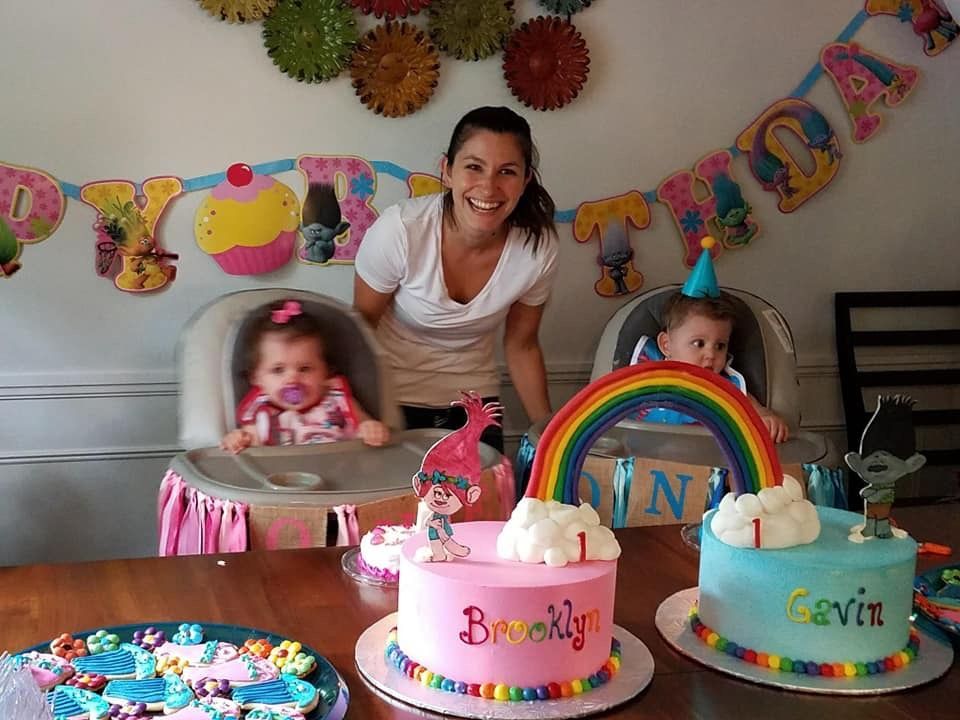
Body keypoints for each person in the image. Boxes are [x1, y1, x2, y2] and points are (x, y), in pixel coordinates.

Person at [353, 106, 559, 453]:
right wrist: (360, 415)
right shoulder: (401, 230)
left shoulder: (537, 249)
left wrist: (548, 430)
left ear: (525, 181)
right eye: (474, 167)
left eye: (506, 172)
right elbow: (360, 329)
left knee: (480, 504)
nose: (489, 187)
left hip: (473, 403)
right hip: (389, 399)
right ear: (447, 171)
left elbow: (522, 345)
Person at [631, 238, 790, 443]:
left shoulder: (725, 386)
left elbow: (747, 403)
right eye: (698, 343)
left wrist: (765, 415)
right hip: (648, 458)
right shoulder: (645, 375)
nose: (711, 354)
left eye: (720, 346)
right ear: (666, 345)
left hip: (708, 463)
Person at [220, 300, 390, 453]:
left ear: (326, 372)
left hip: (342, 478)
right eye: (278, 370)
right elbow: (248, 448)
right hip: (282, 484)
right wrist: (237, 440)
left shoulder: (337, 400)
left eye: (305, 368)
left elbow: (365, 427)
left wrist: (371, 429)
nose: (292, 379)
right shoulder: (261, 415)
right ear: (256, 378)